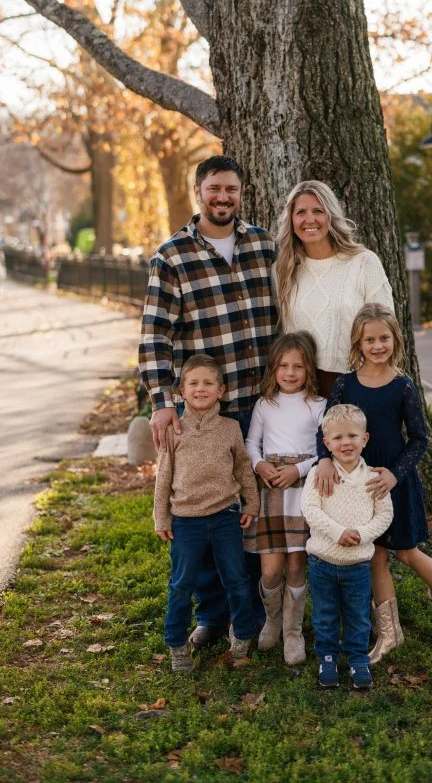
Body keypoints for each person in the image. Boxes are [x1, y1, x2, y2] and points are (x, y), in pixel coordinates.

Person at [139, 155, 278, 646]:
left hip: (262, 404)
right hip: (203, 410)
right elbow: (155, 334)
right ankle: (212, 614)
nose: (223, 197)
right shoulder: (172, 256)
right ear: (198, 191)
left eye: (232, 190)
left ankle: (258, 610)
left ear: (242, 193)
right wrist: (161, 401)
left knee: (248, 509)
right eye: (214, 188)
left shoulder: (264, 245)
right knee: (197, 509)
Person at [315, 303, 432, 662]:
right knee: (374, 555)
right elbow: (325, 427)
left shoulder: (402, 386)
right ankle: (390, 634)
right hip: (359, 489)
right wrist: (325, 460)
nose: (377, 345)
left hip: (394, 483)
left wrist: (395, 473)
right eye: (369, 339)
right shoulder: (345, 384)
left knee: (406, 551)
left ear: (396, 339)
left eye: (384, 338)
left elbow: (419, 438)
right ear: (358, 343)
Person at [153, 354, 260, 672]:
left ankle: (241, 639)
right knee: (182, 584)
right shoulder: (174, 431)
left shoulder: (230, 429)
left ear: (221, 390)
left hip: (226, 516)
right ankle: (176, 645)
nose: (201, 389)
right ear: (181, 391)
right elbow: (163, 477)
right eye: (194, 383)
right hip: (186, 520)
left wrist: (251, 503)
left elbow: (243, 468)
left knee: (237, 580)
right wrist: (162, 517)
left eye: (208, 383)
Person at [244, 332, 326, 665]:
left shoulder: (318, 406)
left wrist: (300, 470)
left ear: (309, 370)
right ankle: (272, 620)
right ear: (273, 368)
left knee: (296, 565)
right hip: (271, 490)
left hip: (303, 490)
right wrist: (260, 464)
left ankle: (293, 632)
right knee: (270, 569)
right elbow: (251, 444)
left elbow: (326, 451)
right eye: (283, 366)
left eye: (298, 366)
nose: (290, 373)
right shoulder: (265, 405)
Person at [301, 404, 393, 690]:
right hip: (322, 562)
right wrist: (338, 532)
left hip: (358, 564)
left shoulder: (373, 478)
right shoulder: (319, 474)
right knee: (325, 614)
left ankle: (357, 659)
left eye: (352, 436)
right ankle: (327, 657)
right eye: (338, 438)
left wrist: (362, 534)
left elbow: (385, 515)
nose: (346, 443)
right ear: (326, 442)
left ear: (365, 439)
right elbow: (310, 509)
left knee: (358, 615)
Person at [275, 179, 394, 399]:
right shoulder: (283, 270)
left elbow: (387, 327)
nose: (309, 219)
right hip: (301, 390)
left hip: (356, 384)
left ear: (330, 215)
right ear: (291, 220)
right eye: (301, 212)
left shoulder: (364, 263)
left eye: (318, 211)